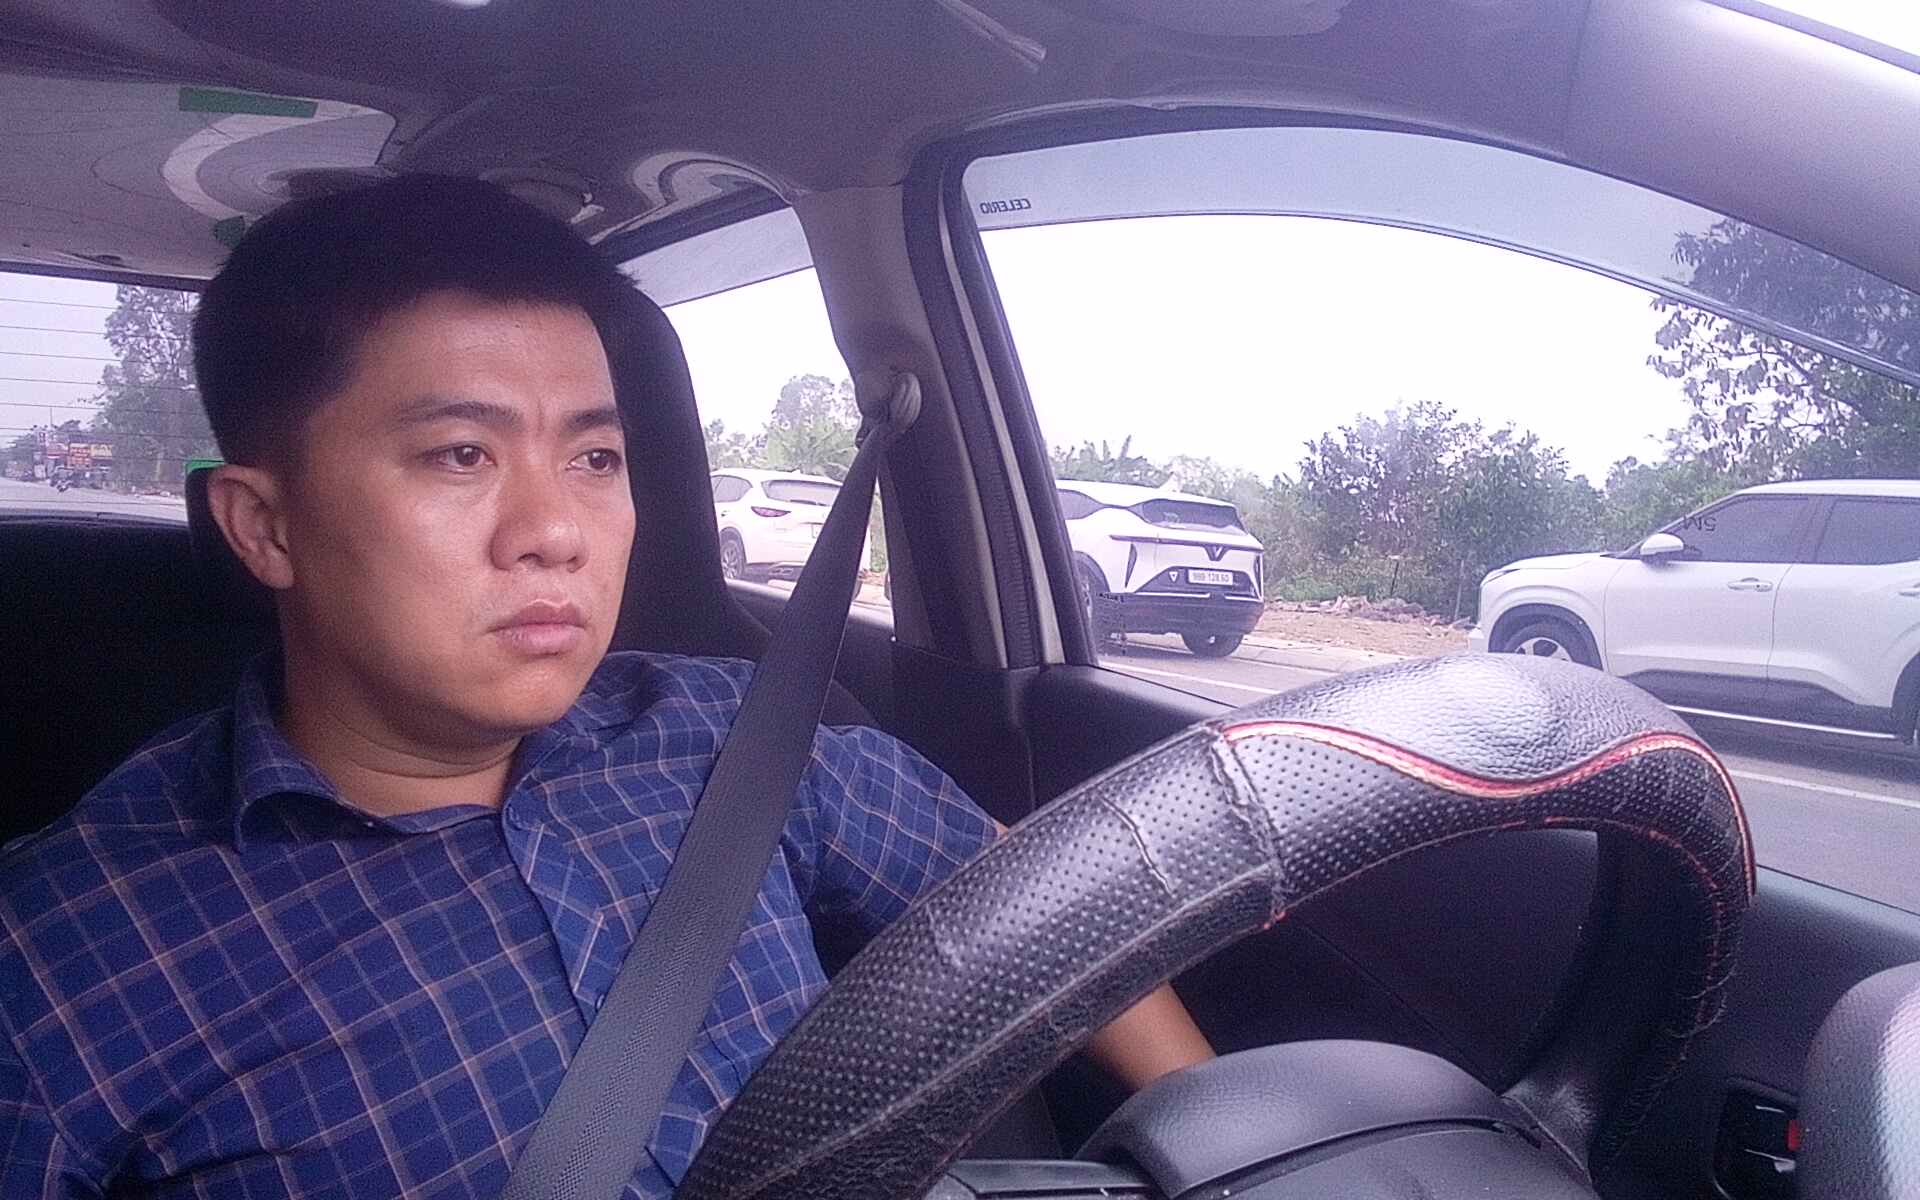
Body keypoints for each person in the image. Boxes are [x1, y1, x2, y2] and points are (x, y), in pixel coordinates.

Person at [0, 176, 1212, 1198]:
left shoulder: (736, 738)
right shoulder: (67, 961)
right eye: (460, 454)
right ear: (265, 526)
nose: (555, 531)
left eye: (594, 457)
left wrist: (1210, 1139)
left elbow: (1054, 902)